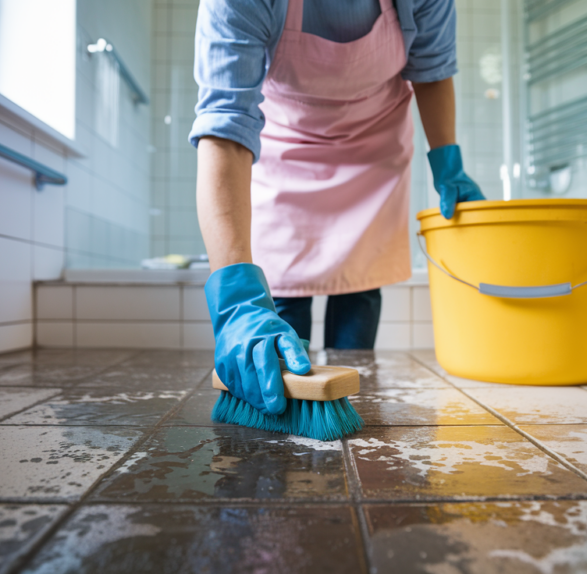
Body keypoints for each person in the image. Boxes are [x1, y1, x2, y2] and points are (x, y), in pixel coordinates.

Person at [191, 0, 485, 416]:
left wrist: (448, 164)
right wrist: (235, 299)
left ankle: (344, 402)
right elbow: (223, 122)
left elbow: (431, 69)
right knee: (283, 296)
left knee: (360, 289)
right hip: (284, 150)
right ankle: (286, 406)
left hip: (373, 151)